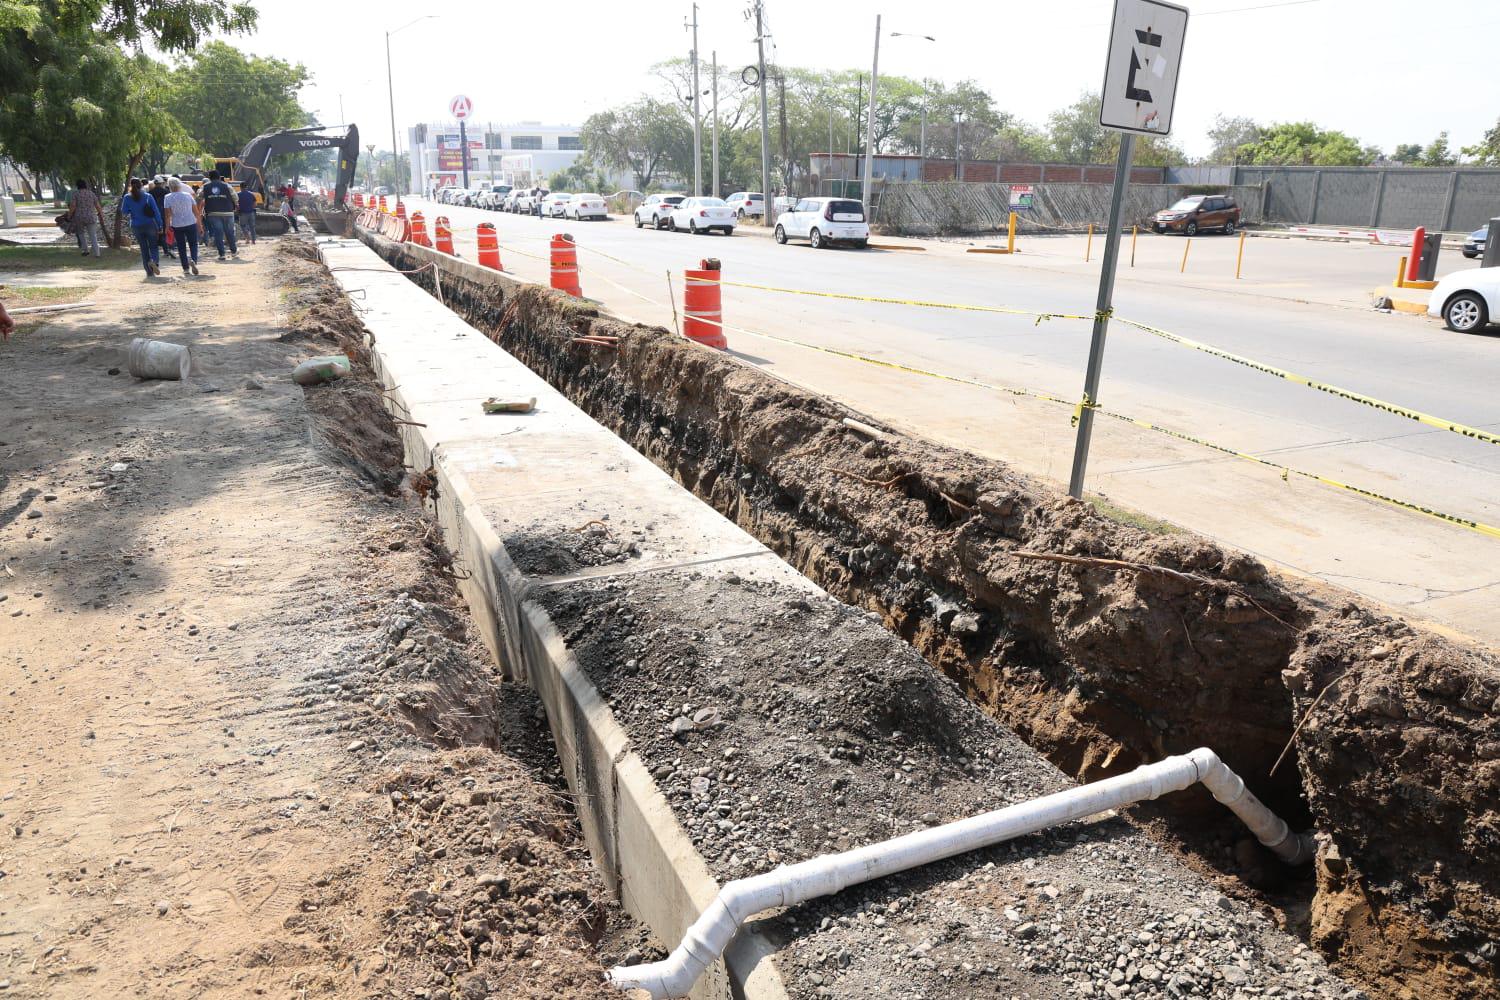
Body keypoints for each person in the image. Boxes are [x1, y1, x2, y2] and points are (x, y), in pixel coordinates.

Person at [118, 177, 163, 276]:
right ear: (141, 185)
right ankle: (154, 261)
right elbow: (156, 212)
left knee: (143, 248)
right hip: (149, 224)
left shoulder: (127, 197)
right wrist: (160, 225)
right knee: (153, 246)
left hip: (136, 225)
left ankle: (149, 272)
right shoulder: (148, 196)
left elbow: (124, 211)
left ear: (130, 185)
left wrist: (132, 210)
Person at [163, 177, 201, 275]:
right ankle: (193, 260)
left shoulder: (167, 197)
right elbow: (196, 212)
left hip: (177, 224)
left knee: (181, 246)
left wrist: (167, 227)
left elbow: (167, 215)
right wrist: (200, 225)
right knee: (193, 244)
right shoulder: (188, 195)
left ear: (169, 186)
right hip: (190, 222)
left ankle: (185, 268)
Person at [198, 170, 238, 260]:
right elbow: (235, 197)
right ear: (219, 177)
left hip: (213, 213)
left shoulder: (205, 186)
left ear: (209, 178)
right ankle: (234, 251)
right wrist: (235, 204)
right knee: (229, 232)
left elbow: (199, 196)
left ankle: (222, 254)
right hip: (228, 212)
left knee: (218, 233)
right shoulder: (227, 185)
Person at [68, 179, 107, 258]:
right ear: (86, 185)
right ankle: (97, 253)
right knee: (93, 235)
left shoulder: (76, 194)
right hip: (91, 217)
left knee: (81, 234)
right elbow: (97, 205)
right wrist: (101, 213)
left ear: (77, 186)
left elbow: (73, 206)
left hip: (79, 217)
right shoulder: (91, 193)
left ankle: (85, 250)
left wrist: (69, 215)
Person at [148, 175, 174, 259]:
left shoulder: (150, 193)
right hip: (164, 214)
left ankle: (154, 251)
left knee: (155, 233)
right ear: (161, 183)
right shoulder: (166, 192)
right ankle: (168, 249)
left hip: (153, 215)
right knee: (165, 232)